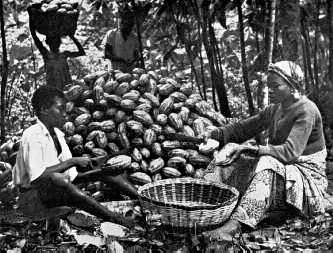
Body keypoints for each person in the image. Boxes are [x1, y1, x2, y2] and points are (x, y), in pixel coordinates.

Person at [202, 61, 329, 241]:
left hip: (305, 178)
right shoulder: (275, 109)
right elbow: (243, 128)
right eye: (269, 86)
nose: (270, 90)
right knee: (230, 152)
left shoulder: (307, 110)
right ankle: (206, 203)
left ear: (292, 86)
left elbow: (289, 152)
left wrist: (252, 149)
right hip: (283, 170)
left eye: (275, 86)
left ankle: (236, 224)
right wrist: (216, 135)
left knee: (266, 161)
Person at [13, 86, 134, 228]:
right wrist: (73, 161)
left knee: (107, 169)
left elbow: (72, 177)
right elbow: (38, 177)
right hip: (32, 199)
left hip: (54, 192)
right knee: (58, 179)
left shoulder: (58, 134)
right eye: (60, 109)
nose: (65, 114)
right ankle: (116, 219)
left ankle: (142, 199)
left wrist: (100, 171)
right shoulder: (32, 135)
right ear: (44, 109)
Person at [29, 18, 85, 90]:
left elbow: (81, 52)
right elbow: (34, 36)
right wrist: (31, 18)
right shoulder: (46, 54)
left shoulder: (64, 54)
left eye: (56, 42)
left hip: (67, 88)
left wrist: (72, 37)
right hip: (54, 91)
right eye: (52, 42)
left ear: (59, 42)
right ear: (48, 43)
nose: (54, 44)